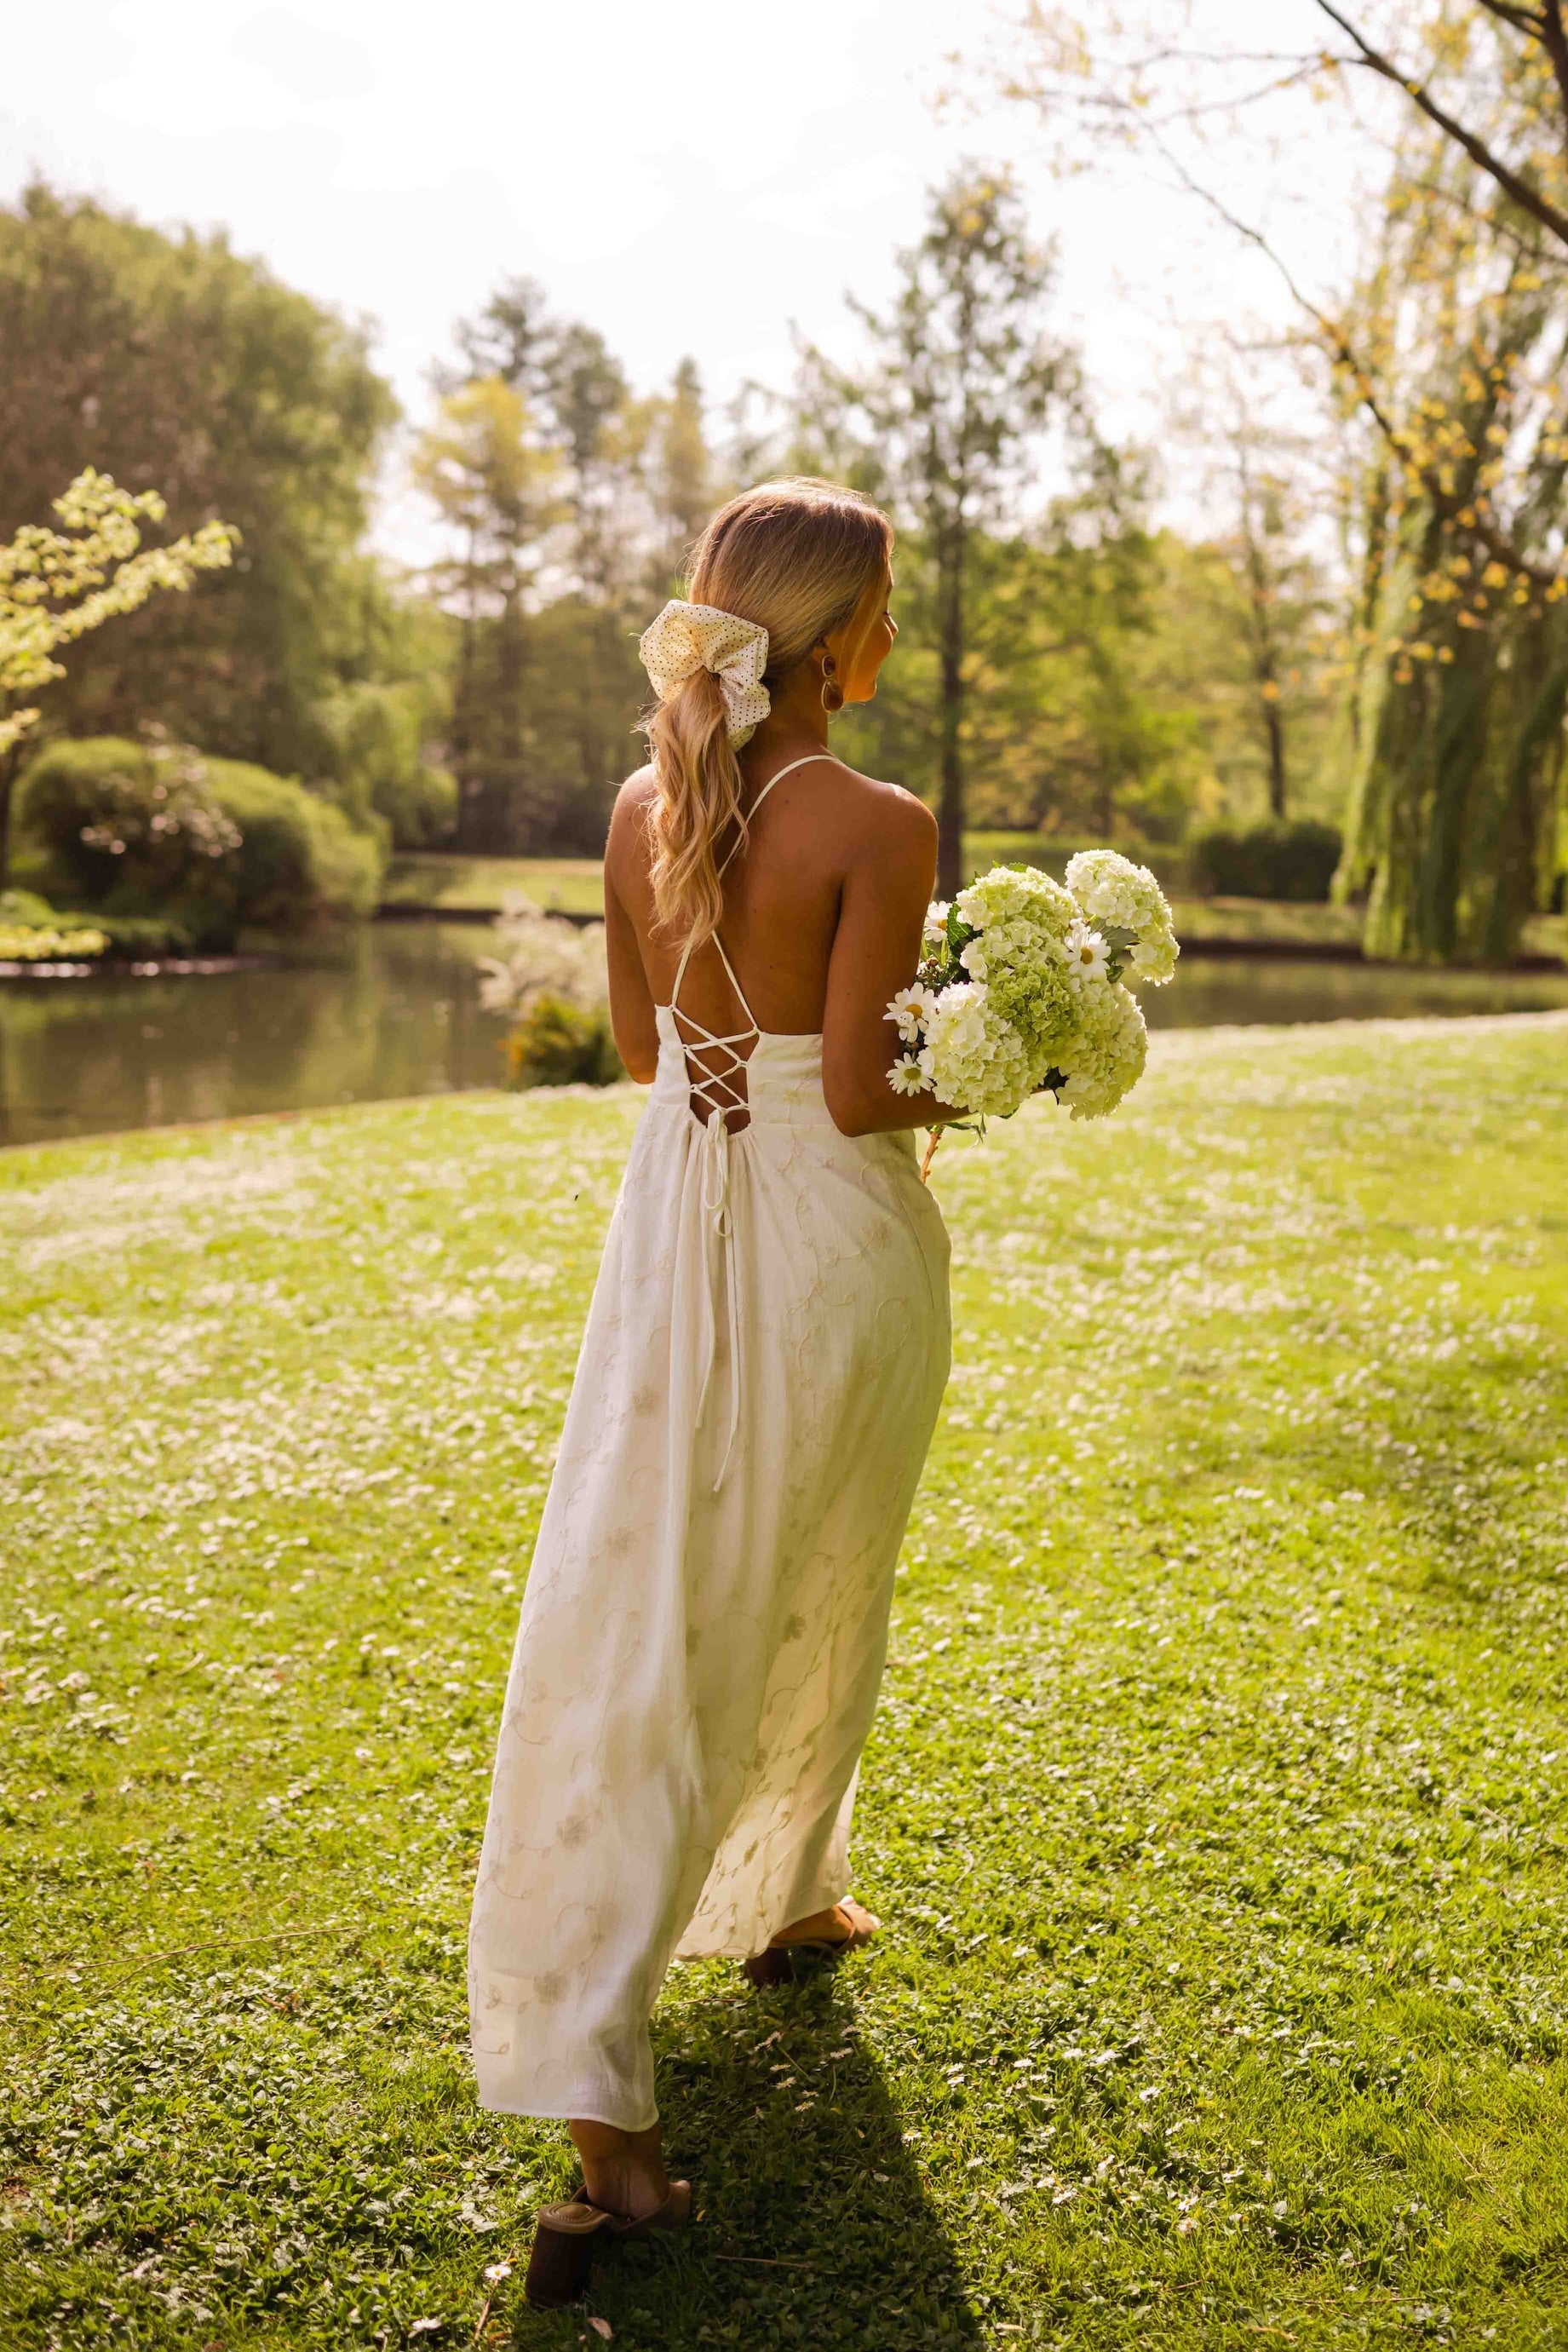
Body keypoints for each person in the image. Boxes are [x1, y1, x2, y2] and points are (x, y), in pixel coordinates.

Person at [467, 476, 960, 2307]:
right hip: (827, 1240)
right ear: (843, 638)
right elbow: (854, 1090)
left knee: (679, 1574)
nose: (894, 635)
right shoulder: (881, 823)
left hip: (674, 1234)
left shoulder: (638, 808)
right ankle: (611, 2099)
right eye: (889, 607)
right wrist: (1003, 1072)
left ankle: (788, 1888)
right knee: (807, 1553)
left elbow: (638, 1045)